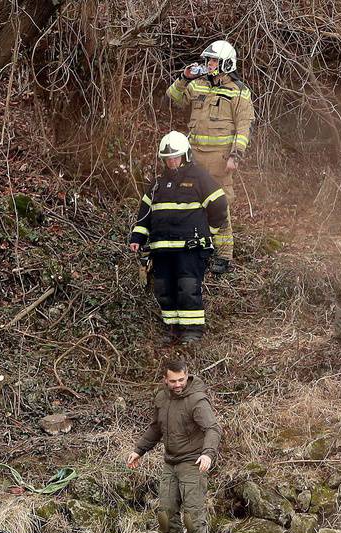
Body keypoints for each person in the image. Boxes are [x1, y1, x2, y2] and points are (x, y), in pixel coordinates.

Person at [128, 131, 227, 344]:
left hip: (190, 249)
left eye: (176, 157)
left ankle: (192, 332)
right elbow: (144, 215)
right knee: (164, 289)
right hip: (162, 249)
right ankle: (171, 330)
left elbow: (219, 205)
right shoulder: (157, 185)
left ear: (186, 155)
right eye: (168, 158)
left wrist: (209, 232)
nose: (172, 162)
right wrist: (137, 237)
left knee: (188, 288)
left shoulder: (200, 177)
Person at [127, 354, 220, 533]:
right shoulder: (161, 398)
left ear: (187, 376)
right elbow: (156, 429)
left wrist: (207, 454)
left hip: (193, 463)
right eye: (173, 381)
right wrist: (139, 449)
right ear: (165, 380)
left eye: (181, 380)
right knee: (166, 515)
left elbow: (213, 429)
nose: (178, 385)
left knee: (193, 517)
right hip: (170, 463)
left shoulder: (197, 400)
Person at [166, 39, 252, 274]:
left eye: (213, 60)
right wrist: (184, 77)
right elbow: (174, 97)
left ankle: (223, 257)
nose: (209, 64)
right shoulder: (198, 85)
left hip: (220, 161)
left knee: (219, 206)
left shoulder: (239, 92)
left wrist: (236, 155)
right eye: (208, 60)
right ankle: (197, 247)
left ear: (226, 63)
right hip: (193, 160)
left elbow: (244, 128)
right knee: (190, 203)